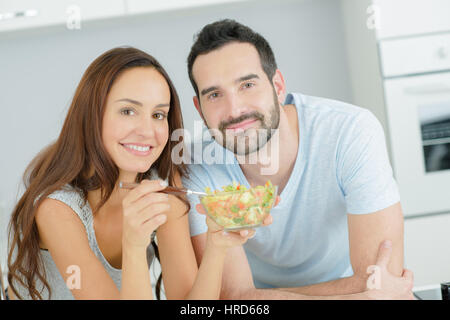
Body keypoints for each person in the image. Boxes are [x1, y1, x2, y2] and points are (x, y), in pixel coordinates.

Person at [182, 19, 414, 299]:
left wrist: (260, 296)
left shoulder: (350, 131)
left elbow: (382, 280)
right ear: (200, 108)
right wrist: (357, 296)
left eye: (247, 85)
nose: (234, 110)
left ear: (278, 86)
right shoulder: (194, 167)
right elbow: (234, 296)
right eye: (215, 95)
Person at [6, 47, 256, 300]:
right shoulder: (56, 211)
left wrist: (216, 246)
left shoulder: (163, 190)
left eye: (158, 114)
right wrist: (134, 246)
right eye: (128, 111)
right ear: (92, 115)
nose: (148, 131)